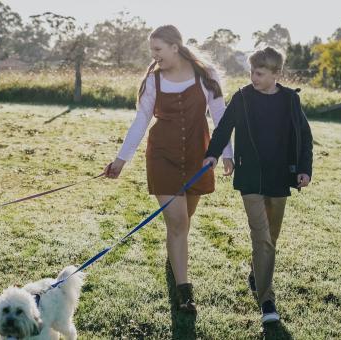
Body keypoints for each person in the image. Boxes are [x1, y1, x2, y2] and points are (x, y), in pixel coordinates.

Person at [104, 25, 234, 312]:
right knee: (177, 224)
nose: (154, 56)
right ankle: (184, 292)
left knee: (183, 221)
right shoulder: (153, 80)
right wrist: (120, 161)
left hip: (199, 157)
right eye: (152, 50)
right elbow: (141, 121)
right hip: (162, 157)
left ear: (175, 47)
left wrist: (227, 153)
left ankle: (175, 259)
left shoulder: (206, 75)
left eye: (158, 50)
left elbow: (220, 115)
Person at [203, 46, 313, 324]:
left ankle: (257, 270)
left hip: (280, 177)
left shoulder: (290, 100)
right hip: (250, 176)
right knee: (261, 237)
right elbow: (224, 127)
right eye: (252, 72)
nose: (254, 77)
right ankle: (267, 301)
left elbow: (304, 137)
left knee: (270, 239)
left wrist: (304, 170)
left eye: (260, 73)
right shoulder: (242, 97)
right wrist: (213, 155)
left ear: (277, 74)